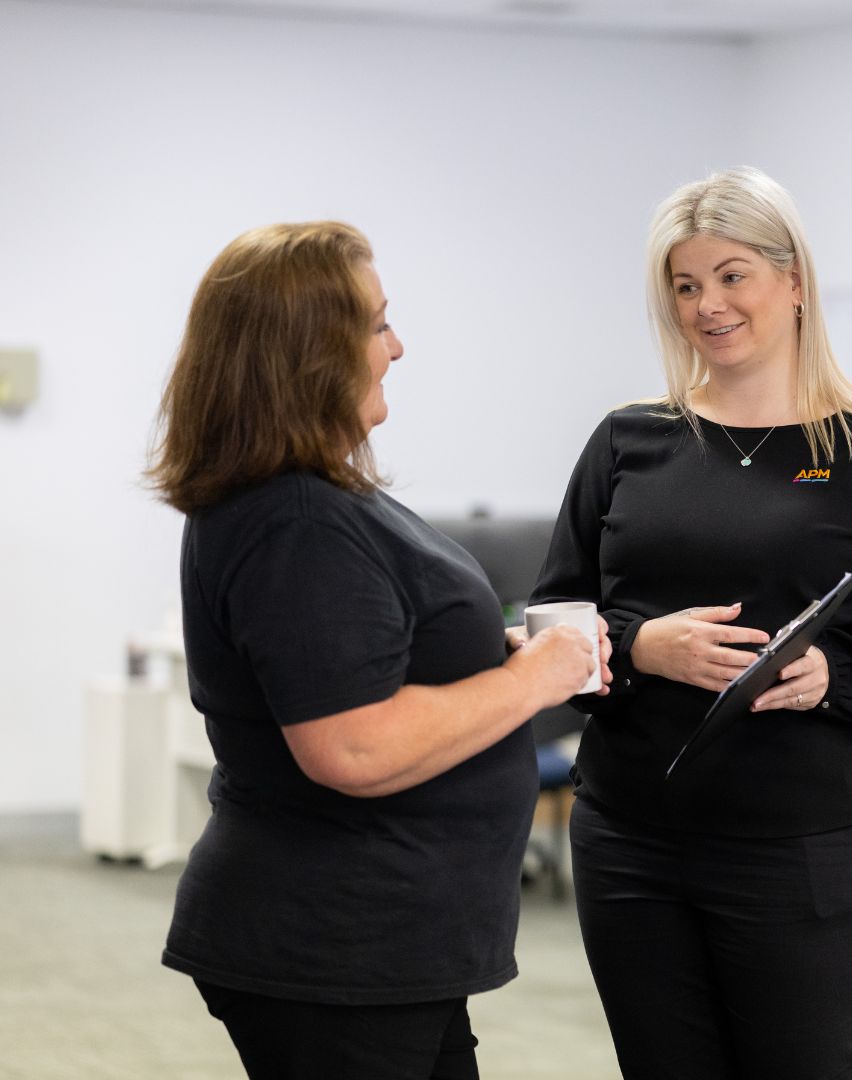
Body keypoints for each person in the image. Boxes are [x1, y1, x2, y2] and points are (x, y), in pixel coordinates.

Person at [531, 167, 852, 1080]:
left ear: (794, 281)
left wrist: (838, 676)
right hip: (633, 835)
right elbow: (554, 616)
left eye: (733, 275)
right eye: (686, 284)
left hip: (809, 842)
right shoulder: (629, 441)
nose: (709, 305)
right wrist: (638, 645)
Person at [148, 221, 610, 1079]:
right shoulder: (295, 522)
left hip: (381, 948)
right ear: (308, 354)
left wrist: (496, 652)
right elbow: (353, 745)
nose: (396, 347)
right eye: (375, 324)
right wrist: (532, 678)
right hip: (338, 949)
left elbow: (367, 660)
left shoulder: (315, 499)